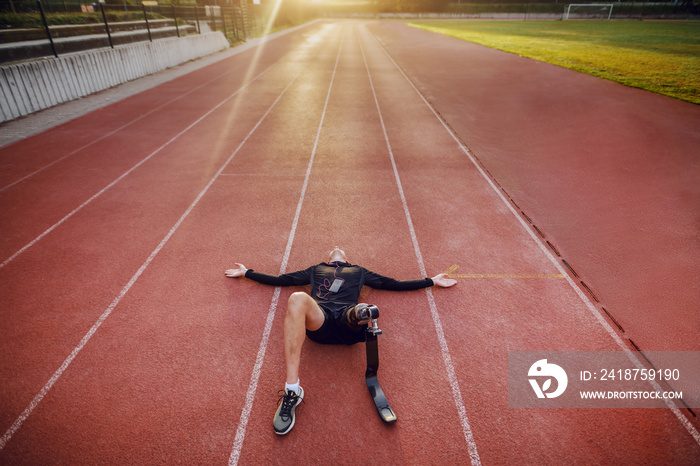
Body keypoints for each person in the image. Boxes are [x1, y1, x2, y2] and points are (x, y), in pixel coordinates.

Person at [225, 247, 456, 435]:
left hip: (348, 321)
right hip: (320, 321)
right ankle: (292, 391)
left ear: (346, 259)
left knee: (363, 309)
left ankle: (363, 314)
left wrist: (430, 281)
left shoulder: (359, 271)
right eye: (332, 248)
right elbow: (283, 280)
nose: (336, 246)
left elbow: (391, 283)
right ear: (329, 258)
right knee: (296, 298)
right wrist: (248, 273)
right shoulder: (316, 269)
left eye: (339, 248)